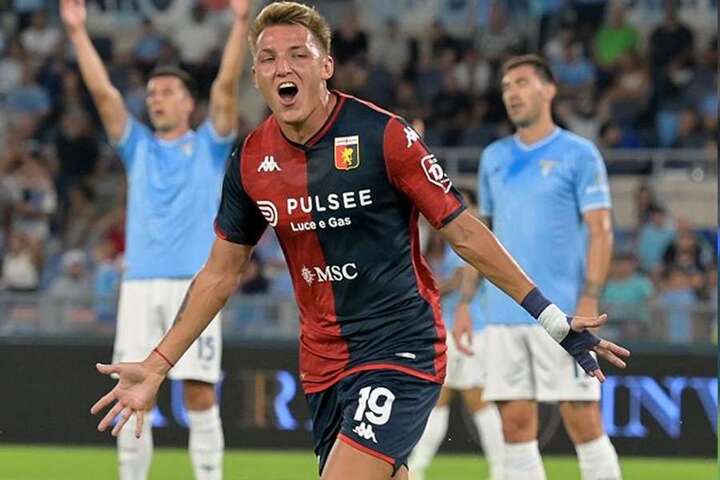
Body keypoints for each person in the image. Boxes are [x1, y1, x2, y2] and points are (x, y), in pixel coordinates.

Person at [89, 5, 629, 480]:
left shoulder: (383, 135)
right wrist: (158, 363)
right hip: (323, 363)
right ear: (256, 76)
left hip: (401, 347)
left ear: (325, 66)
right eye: (268, 58)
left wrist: (551, 318)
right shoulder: (250, 160)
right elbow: (220, 273)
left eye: (298, 54)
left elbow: (464, 232)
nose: (283, 67)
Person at [60, 0, 252, 479]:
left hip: (194, 285)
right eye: (151, 93)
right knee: (131, 392)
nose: (156, 99)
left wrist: (240, 23)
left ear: (189, 103)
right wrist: (78, 32)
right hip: (139, 285)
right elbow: (104, 93)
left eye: (167, 92)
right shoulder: (138, 146)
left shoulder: (209, 145)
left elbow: (226, 86)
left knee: (198, 392)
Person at [453, 54, 623, 480]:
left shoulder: (579, 154)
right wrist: (466, 303)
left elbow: (601, 230)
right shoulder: (493, 157)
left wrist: (589, 296)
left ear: (549, 90)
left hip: (563, 311)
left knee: (583, 421)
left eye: (522, 83)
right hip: (503, 314)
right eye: (506, 86)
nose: (512, 92)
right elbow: (483, 239)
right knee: (514, 427)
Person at [408, 191, 504, 480]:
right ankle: (418, 467)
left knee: (475, 398)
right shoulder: (452, 237)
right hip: (451, 328)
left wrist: (430, 290)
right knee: (442, 398)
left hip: (471, 328)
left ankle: (502, 469)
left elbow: (462, 278)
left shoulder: (471, 236)